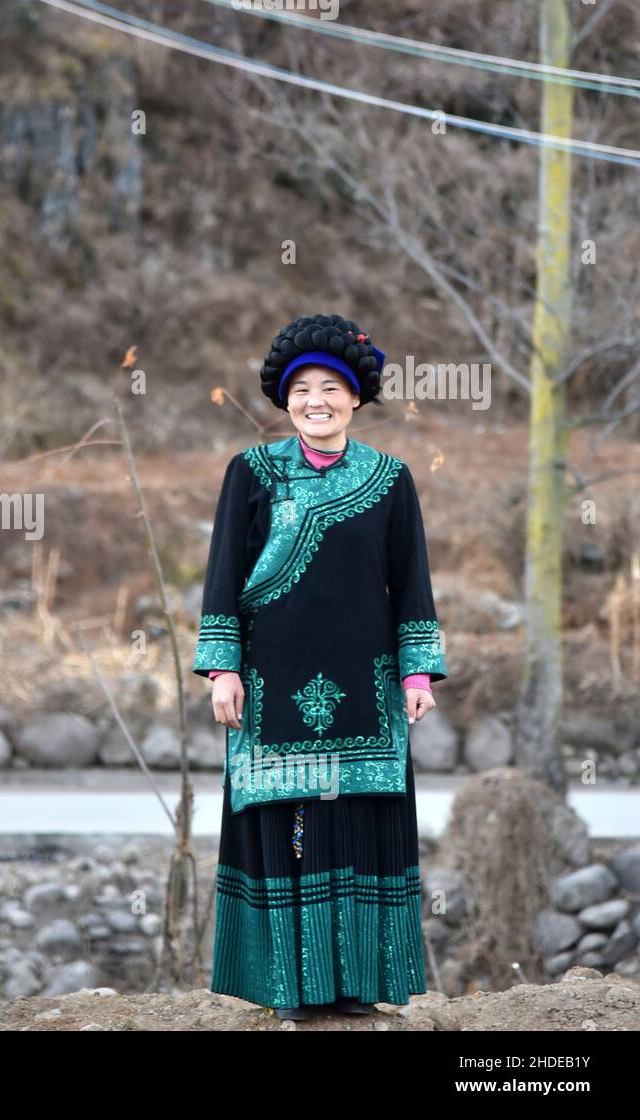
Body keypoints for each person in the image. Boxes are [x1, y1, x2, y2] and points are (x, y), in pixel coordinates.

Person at [195, 313, 447, 1021]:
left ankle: (358, 987)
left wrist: (417, 674)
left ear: (356, 398)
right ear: (286, 398)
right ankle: (292, 991)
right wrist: (223, 669)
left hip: (366, 688)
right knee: (289, 829)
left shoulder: (391, 481)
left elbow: (413, 584)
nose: (316, 400)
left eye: (331, 388)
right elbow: (223, 578)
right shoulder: (250, 473)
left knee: (359, 825)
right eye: (302, 388)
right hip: (273, 687)